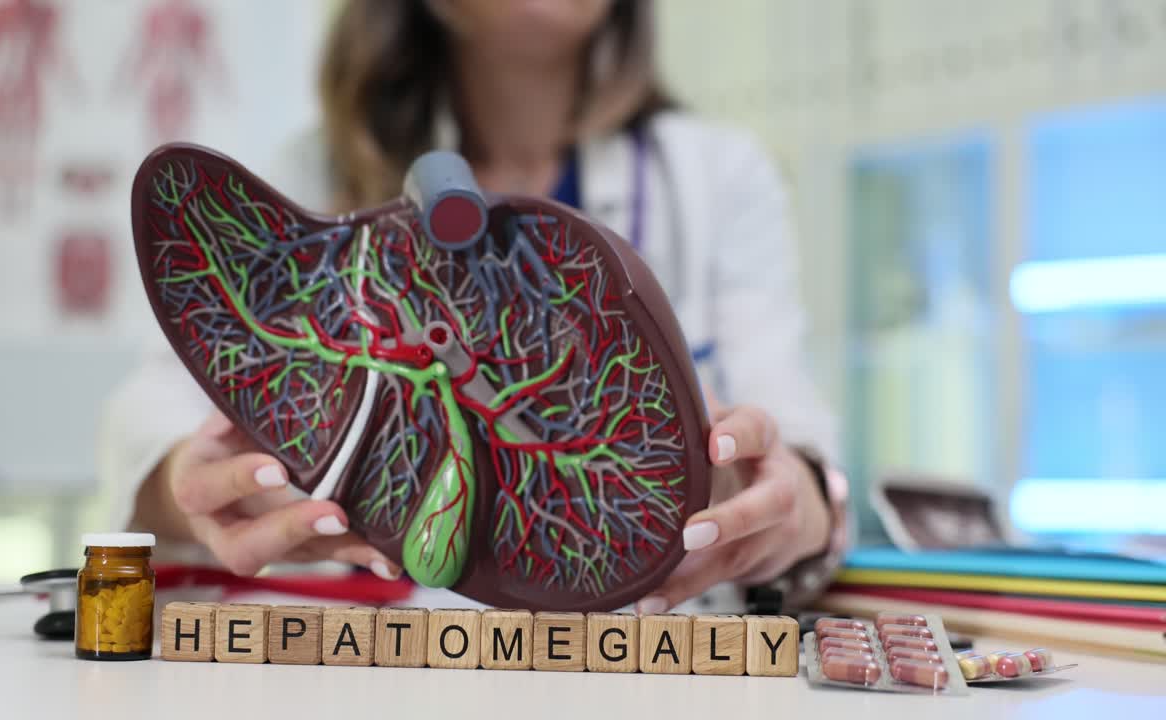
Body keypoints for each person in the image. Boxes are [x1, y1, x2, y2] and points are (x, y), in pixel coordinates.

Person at [99, 0, 850, 613]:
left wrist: (786, 500)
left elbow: (797, 445)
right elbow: (156, 415)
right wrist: (199, 489)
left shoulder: (716, 177)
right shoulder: (313, 174)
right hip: (358, 670)